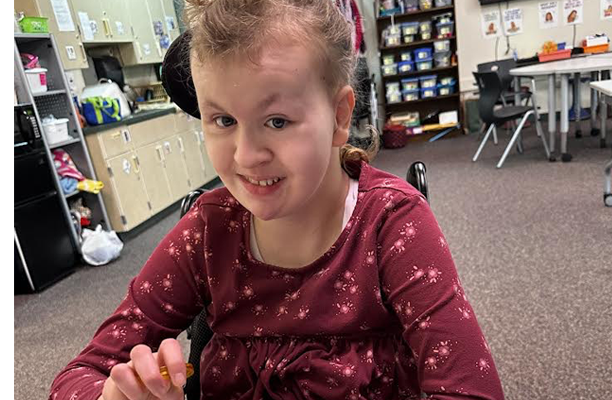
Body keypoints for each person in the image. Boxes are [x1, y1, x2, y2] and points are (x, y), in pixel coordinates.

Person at [48, 1, 504, 399]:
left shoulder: (390, 224)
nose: (246, 156)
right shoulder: (208, 233)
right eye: (223, 119)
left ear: (340, 116)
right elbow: (79, 374)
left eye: (278, 121)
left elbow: (471, 387)